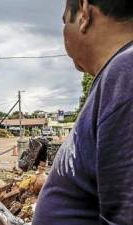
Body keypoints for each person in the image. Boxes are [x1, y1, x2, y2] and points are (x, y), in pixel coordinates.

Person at [33, 1, 133, 225]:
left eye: (64, 21)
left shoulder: (126, 73)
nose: (63, 33)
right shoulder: (115, 76)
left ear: (84, 13)